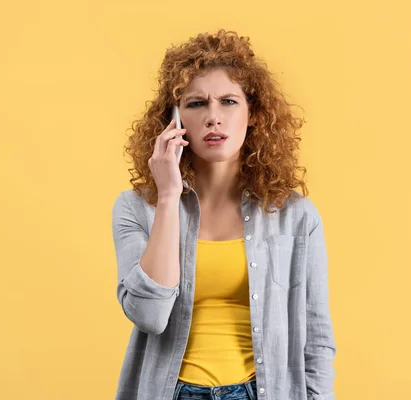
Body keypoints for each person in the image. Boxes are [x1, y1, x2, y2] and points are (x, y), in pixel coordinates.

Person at [112, 29, 336, 400]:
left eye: (229, 101)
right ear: (174, 118)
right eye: (196, 103)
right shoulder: (137, 208)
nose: (213, 118)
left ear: (253, 116)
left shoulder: (296, 216)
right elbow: (149, 315)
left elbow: (317, 339)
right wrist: (167, 195)